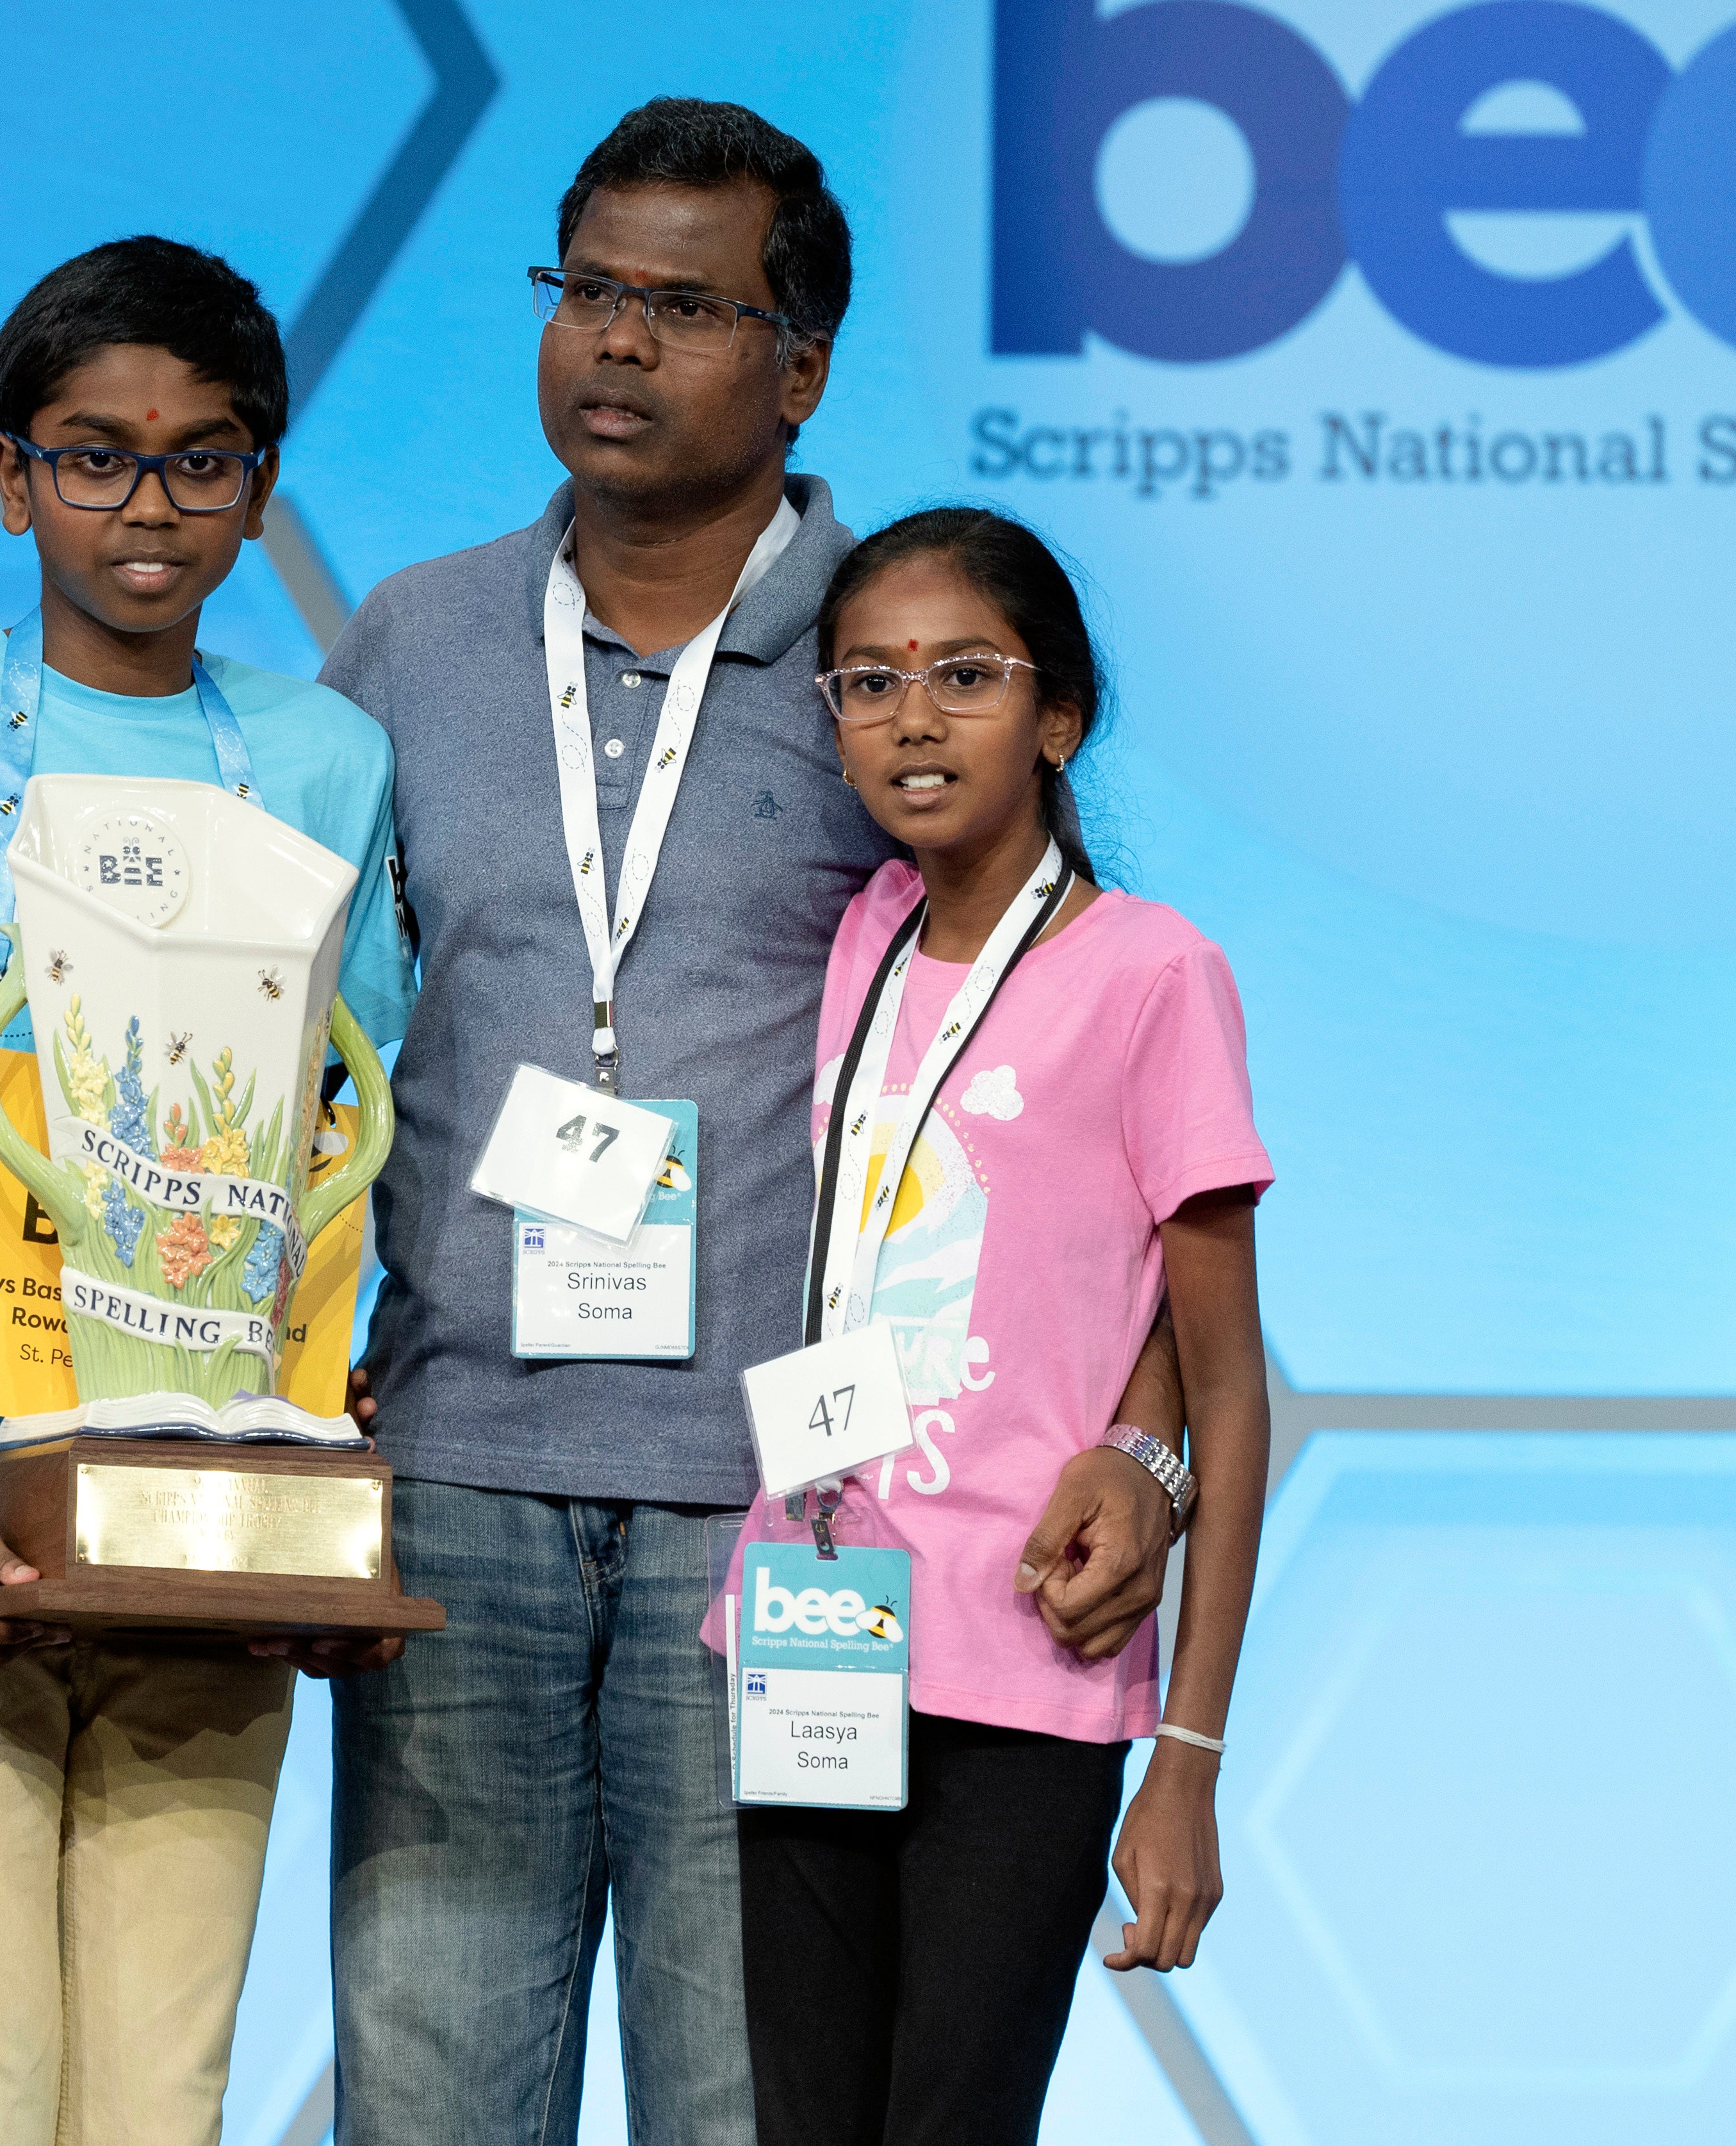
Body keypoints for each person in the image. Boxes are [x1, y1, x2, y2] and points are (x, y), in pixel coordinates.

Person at [313, 101, 1189, 2144]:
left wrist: (1145, 1445)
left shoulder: (890, 670)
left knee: (756, 2104)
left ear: (799, 364)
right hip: (453, 1477)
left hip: (792, 1518)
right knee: (429, 2101)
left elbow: (1101, 1142)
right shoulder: (416, 644)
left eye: (683, 307)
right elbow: (302, 1045)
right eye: (587, 290)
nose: (614, 343)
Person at [0, 236, 413, 2146]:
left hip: (207, 1535)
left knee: (154, 2105)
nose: (149, 503)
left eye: (203, 458)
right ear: (11, 474)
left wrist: (320, 1485)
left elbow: (334, 1144)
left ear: (262, 486)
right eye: (95, 454)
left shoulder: (326, 761)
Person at [723, 505, 1270, 2142]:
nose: (910, 714)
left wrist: (1186, 1755)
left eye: (963, 673)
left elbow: (1234, 1387)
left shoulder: (1151, 971)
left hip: (1028, 1656)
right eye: (867, 679)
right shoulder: (859, 937)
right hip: (810, 1624)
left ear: (1057, 716)